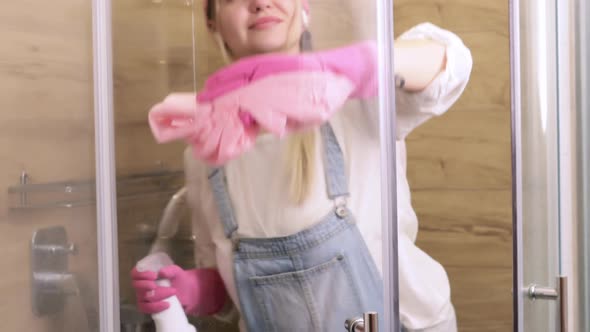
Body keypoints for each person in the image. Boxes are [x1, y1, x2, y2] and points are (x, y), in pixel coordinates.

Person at [131, 0, 473, 331]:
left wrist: (355, 65)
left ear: (304, 5)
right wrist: (201, 290)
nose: (261, 2)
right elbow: (232, 287)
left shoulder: (354, 101)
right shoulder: (209, 149)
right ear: (211, 20)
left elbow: (451, 64)